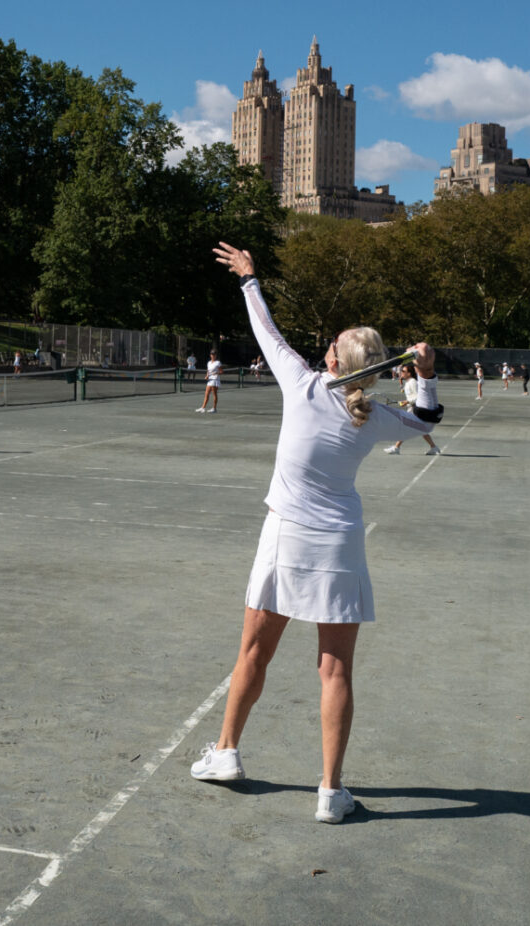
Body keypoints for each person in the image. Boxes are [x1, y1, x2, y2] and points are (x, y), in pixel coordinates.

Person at [190, 243, 431, 824]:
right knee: (336, 669)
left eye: (330, 345)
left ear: (335, 363)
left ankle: (226, 754)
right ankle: (330, 792)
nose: (321, 348)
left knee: (254, 651)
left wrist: (249, 278)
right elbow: (426, 420)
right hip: (339, 545)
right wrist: (426, 373)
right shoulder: (374, 417)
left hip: (285, 539)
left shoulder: (301, 385)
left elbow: (266, 329)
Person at [383, 360, 442, 455]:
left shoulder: (413, 382)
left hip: (415, 410)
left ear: (409, 373)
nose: (401, 372)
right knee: (420, 429)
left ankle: (396, 448)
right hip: (412, 409)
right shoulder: (408, 382)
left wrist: (407, 401)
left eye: (403, 371)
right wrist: (407, 402)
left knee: (405, 427)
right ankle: (434, 447)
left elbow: (419, 397)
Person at [196, 349, 223, 413]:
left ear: (216, 355)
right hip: (210, 379)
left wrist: (216, 373)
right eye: (212, 354)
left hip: (215, 379)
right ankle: (203, 408)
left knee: (214, 394)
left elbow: (221, 371)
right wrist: (207, 376)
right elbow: (208, 371)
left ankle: (214, 408)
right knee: (206, 394)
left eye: (214, 354)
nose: (213, 355)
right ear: (210, 355)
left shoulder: (218, 363)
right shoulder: (209, 363)